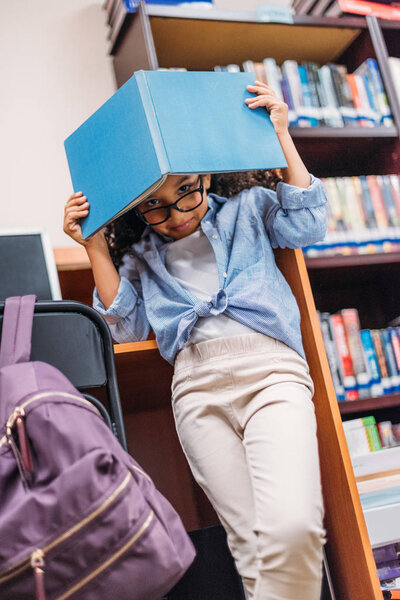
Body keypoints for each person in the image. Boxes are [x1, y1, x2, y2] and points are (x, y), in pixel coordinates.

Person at [64, 80, 327, 600]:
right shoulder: (140, 258)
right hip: (196, 391)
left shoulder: (249, 209)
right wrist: (94, 244)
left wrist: (280, 135)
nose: (178, 213)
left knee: (292, 528)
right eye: (155, 207)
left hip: (271, 373)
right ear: (137, 211)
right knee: (250, 548)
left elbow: (309, 222)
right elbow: (125, 327)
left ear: (205, 174)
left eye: (186, 189)